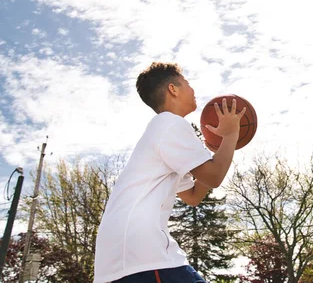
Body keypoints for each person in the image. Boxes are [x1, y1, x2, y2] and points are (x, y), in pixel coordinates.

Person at [93, 62, 245, 283]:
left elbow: (192, 196)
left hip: (123, 255)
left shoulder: (161, 131)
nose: (193, 90)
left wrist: (216, 149)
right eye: (188, 84)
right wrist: (231, 135)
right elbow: (214, 176)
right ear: (173, 89)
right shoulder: (170, 123)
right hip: (143, 253)